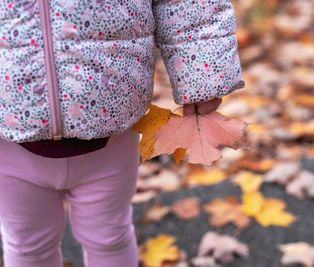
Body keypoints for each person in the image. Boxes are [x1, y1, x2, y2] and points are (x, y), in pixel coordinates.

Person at [0, 0, 245, 266]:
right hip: (10, 140)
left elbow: (188, 6)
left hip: (113, 122)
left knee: (109, 238)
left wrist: (203, 73)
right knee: (27, 246)